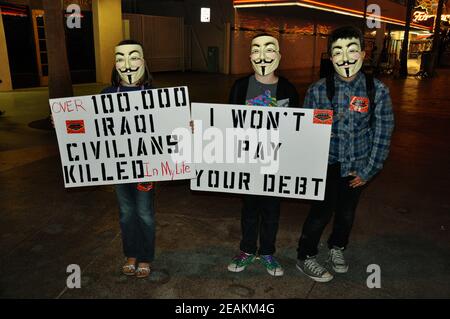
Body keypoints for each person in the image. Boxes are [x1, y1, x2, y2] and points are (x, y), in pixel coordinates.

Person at [295, 26, 394, 282]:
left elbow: (382, 133)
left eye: (352, 50)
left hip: (357, 167)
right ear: (330, 56)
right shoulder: (317, 90)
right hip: (325, 165)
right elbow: (306, 132)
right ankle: (305, 255)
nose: (345, 57)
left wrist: (368, 170)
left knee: (346, 213)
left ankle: (337, 248)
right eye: (337, 51)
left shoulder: (377, 91)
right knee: (320, 213)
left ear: (363, 53)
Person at [227, 33, 299, 276]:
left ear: (278, 56)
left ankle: (267, 252)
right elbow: (226, 123)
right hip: (247, 162)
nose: (262, 55)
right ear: (250, 56)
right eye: (256, 50)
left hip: (275, 164)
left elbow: (298, 129)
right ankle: (247, 250)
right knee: (249, 211)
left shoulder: (288, 88)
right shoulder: (240, 86)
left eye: (270, 50)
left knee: (271, 212)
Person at [101, 39, 155, 278]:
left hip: (147, 166)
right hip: (119, 165)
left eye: (134, 57)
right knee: (125, 213)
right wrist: (60, 123)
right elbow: (92, 127)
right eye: (121, 58)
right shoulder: (106, 94)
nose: (127, 64)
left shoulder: (156, 95)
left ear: (143, 61)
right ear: (115, 64)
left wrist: (187, 125)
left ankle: (145, 257)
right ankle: (130, 254)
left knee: (144, 212)